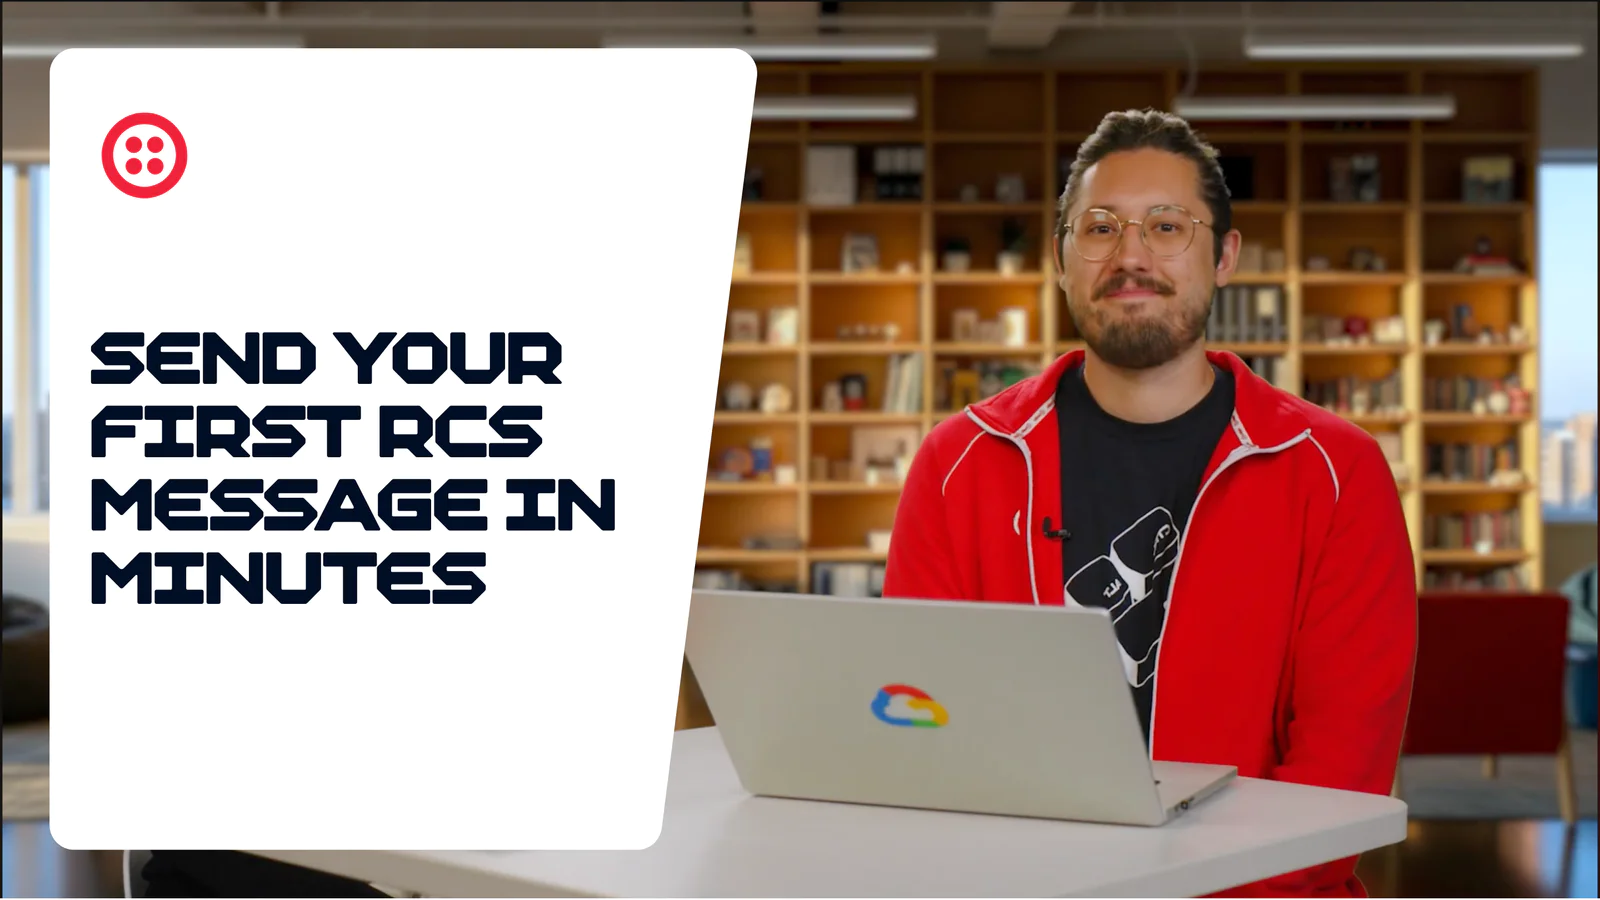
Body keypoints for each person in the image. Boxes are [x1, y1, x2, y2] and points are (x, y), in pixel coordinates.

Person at [882, 108, 1416, 898]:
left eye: (1167, 226)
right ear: (1061, 257)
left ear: (1225, 256)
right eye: (1098, 228)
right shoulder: (958, 465)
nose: (1130, 257)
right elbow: (916, 728)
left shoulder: (1338, 473)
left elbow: (1339, 781)